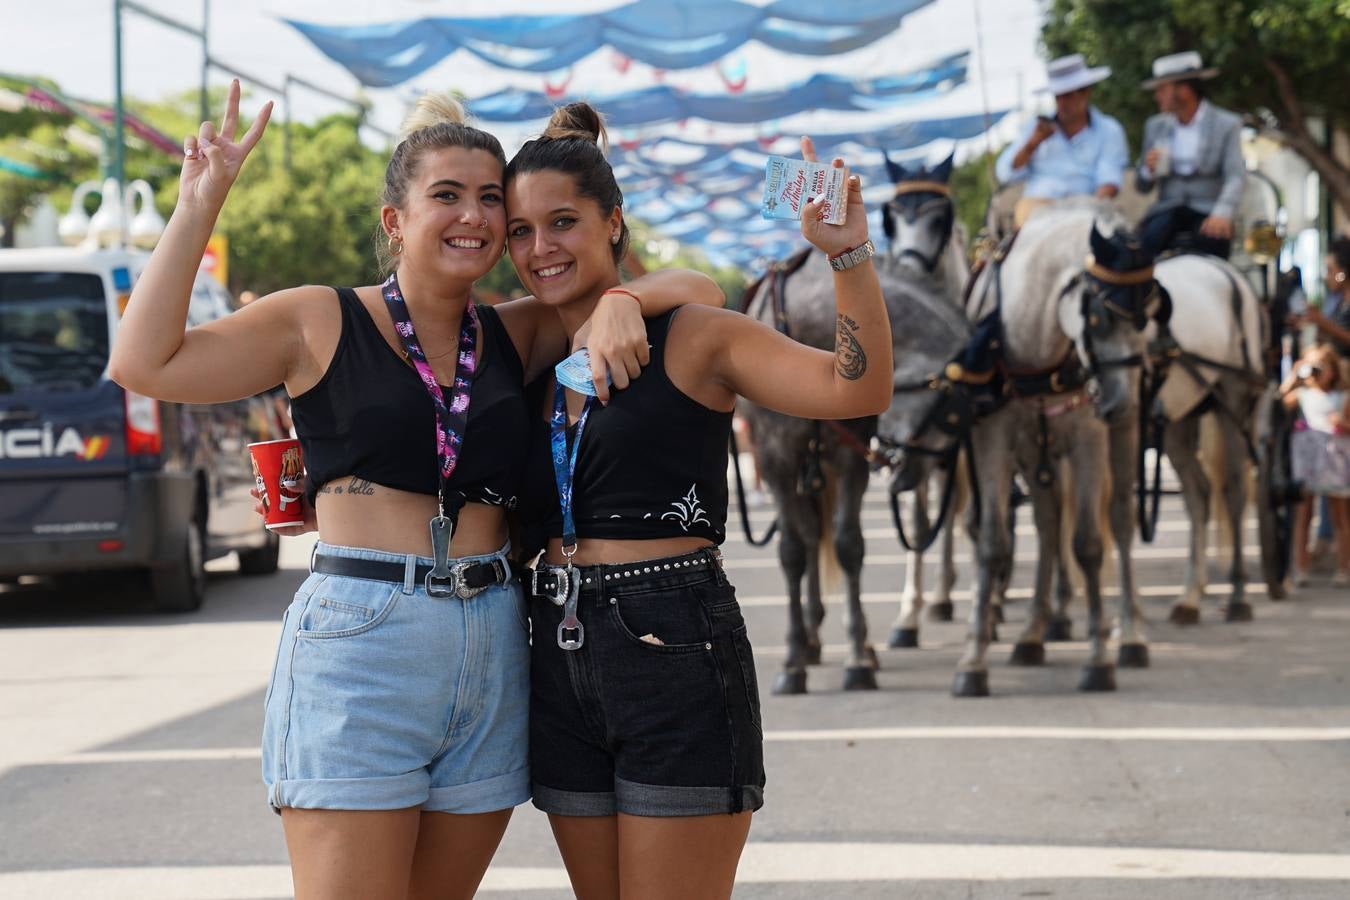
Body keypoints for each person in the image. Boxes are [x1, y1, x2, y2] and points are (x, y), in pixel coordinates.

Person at [108, 81, 720, 900]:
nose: (474, 215)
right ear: (396, 221)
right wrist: (199, 205)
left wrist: (619, 299)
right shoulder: (317, 319)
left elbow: (699, 290)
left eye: (489, 199)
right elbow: (144, 363)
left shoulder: (518, 330)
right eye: (447, 196)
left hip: (493, 638)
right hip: (365, 639)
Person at [507, 103, 892, 899]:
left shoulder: (696, 336)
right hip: (553, 651)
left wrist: (848, 255)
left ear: (613, 223)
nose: (540, 248)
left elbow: (858, 386)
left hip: (670, 644)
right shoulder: (530, 350)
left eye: (564, 222)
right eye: (520, 231)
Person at [995, 53, 1128, 228]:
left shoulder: (1109, 130)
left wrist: (1090, 212)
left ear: (1086, 92)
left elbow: (1108, 181)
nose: (1062, 103)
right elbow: (1005, 173)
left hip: (1085, 207)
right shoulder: (1034, 128)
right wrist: (1032, 144)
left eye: (1068, 96)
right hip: (1037, 209)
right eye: (1058, 96)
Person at [1135, 51, 1246, 259]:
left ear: (1183, 90)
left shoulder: (1226, 124)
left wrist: (1222, 213)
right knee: (1138, 255)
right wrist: (1148, 170)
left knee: (1214, 247)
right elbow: (1141, 186)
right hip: (1166, 211)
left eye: (1162, 89)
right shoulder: (1155, 126)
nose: (1156, 96)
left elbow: (1235, 175)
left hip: (1208, 211)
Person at [1280, 344, 1350, 585]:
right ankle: (1301, 567)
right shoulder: (1302, 395)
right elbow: (1279, 403)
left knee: (1339, 516)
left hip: (1334, 460)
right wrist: (1295, 375)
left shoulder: (1343, 397)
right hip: (1308, 460)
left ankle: (1344, 568)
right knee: (1304, 515)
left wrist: (1342, 423)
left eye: (1321, 367)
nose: (1317, 373)